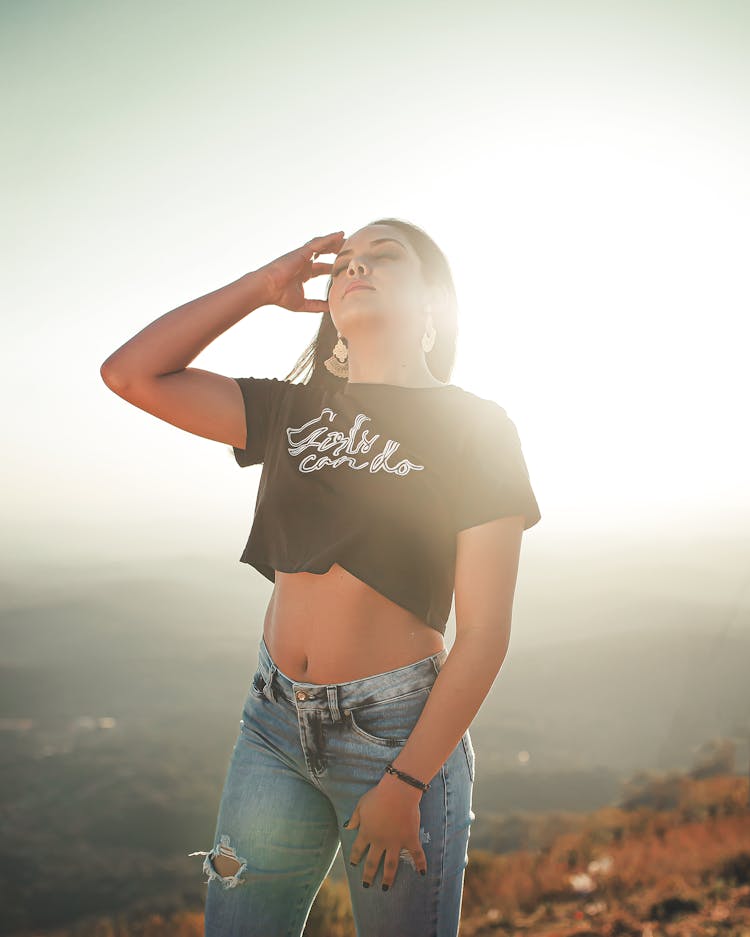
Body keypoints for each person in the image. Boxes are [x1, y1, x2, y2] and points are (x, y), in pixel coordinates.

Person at [100, 217, 541, 937]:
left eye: (383, 256)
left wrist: (406, 782)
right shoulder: (290, 409)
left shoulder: (476, 427)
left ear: (435, 301)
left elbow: (486, 633)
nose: (355, 268)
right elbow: (131, 373)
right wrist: (260, 287)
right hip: (270, 725)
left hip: (400, 737)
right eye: (343, 264)